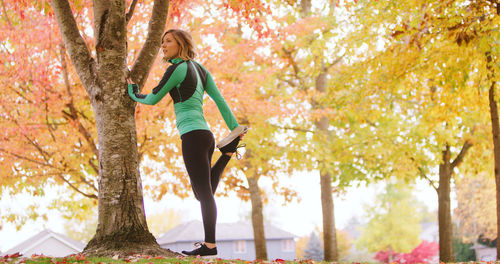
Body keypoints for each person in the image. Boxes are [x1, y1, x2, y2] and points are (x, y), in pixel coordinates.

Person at [127, 29, 247, 258]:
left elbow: (152, 98)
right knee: (203, 192)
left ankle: (210, 246)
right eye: (162, 42)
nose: (163, 45)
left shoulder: (176, 68)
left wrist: (133, 91)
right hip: (206, 137)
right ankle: (228, 152)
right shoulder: (201, 70)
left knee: (204, 194)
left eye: (168, 41)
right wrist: (235, 128)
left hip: (192, 137)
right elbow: (220, 100)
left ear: (181, 43)